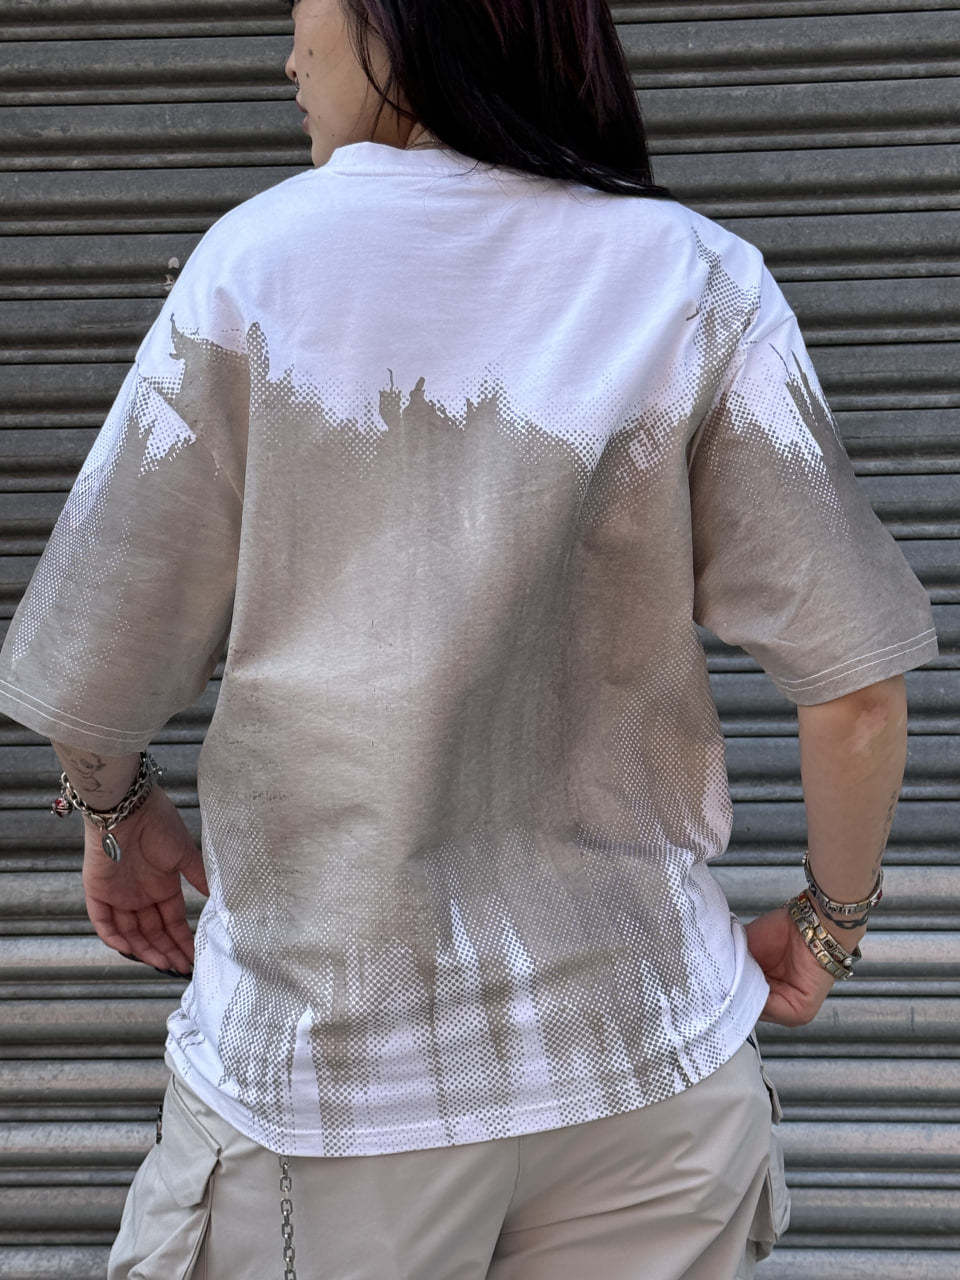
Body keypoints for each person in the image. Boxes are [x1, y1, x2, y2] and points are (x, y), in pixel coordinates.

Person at [0, 1, 939, 1277]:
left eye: (306, 11)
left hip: (333, 1096)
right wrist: (828, 925)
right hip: (653, 1075)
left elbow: (96, 665)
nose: (289, 56)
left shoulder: (254, 272)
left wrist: (115, 815)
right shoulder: (697, 279)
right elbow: (857, 694)